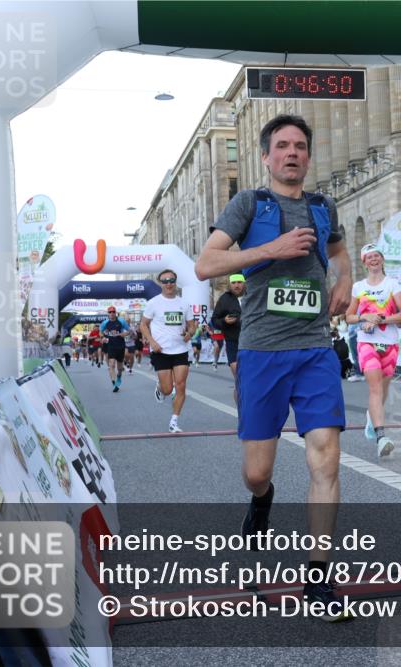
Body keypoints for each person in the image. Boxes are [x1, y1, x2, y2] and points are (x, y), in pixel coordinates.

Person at [195, 114, 353, 621]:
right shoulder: (250, 204)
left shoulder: (324, 206)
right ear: (266, 156)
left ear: (308, 156)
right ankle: (262, 499)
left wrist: (344, 282)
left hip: (314, 350)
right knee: (255, 471)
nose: (292, 153)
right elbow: (206, 264)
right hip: (262, 351)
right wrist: (271, 250)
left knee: (326, 458)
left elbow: (340, 255)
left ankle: (319, 579)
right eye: (282, 146)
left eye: (300, 146)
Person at [346, 244, 401, 458]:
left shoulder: (394, 284)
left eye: (376, 256)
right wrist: (364, 317)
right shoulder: (358, 287)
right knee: (374, 389)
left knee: (383, 389)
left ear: (382, 260)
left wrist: (381, 319)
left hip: (390, 343)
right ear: (364, 263)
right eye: (369, 257)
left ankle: (371, 418)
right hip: (367, 343)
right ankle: (382, 437)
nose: (373, 260)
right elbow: (349, 316)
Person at [140, 269, 196, 433]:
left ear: (175, 282)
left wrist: (189, 333)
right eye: (165, 281)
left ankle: (174, 421)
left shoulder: (184, 303)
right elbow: (143, 325)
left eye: (171, 280)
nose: (169, 283)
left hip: (180, 350)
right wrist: (152, 342)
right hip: (161, 350)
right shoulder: (153, 303)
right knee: (167, 389)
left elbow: (192, 325)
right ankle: (161, 387)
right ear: (160, 283)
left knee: (181, 385)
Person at [210, 273, 246, 405]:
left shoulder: (253, 295)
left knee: (250, 380)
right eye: (234, 282)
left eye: (239, 282)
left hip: (254, 342)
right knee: (239, 378)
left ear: (244, 283)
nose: (237, 285)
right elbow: (214, 320)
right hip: (233, 342)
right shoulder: (225, 299)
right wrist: (224, 321)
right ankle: (241, 412)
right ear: (230, 284)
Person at [100, 307, 129, 392]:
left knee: (120, 368)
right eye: (110, 312)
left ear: (115, 313)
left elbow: (129, 331)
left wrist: (123, 334)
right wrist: (102, 338)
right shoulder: (105, 322)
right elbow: (101, 332)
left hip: (120, 346)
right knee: (111, 364)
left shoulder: (121, 321)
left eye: (113, 312)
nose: (112, 313)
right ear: (108, 313)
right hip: (111, 345)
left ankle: (119, 376)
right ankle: (114, 383)